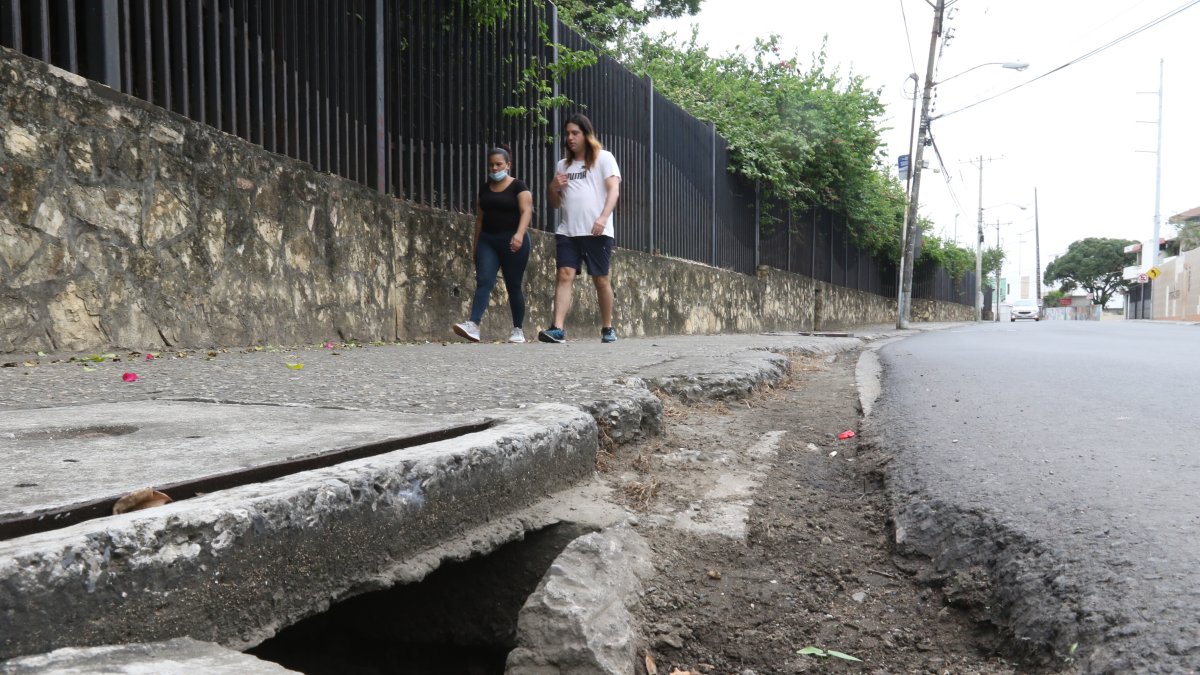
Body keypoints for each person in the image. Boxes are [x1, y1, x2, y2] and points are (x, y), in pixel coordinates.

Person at [537, 113, 621, 344]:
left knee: (600, 279)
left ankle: (607, 327)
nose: (570, 138)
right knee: (564, 274)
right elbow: (556, 204)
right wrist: (552, 188)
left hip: (597, 230)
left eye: (575, 133)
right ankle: (558, 329)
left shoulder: (604, 158)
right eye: (567, 134)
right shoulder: (562, 165)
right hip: (568, 231)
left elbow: (614, 190)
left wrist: (603, 217)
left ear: (586, 134)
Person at [453, 145, 532, 343]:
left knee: (513, 284)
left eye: (499, 164)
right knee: (484, 280)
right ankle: (474, 324)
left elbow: (526, 212)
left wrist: (519, 235)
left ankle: (517, 329)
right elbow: (479, 219)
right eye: (491, 165)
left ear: (508, 165)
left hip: (513, 240)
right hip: (488, 240)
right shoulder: (485, 188)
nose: (495, 169)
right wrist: (475, 244)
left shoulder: (519, 186)